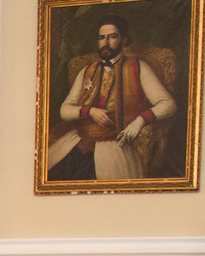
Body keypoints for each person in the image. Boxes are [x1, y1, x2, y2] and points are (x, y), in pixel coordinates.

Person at [44, 13, 178, 184]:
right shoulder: (86, 70)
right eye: (101, 38)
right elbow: (64, 110)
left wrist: (140, 121)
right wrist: (90, 111)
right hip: (78, 142)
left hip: (114, 144)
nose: (106, 42)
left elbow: (169, 104)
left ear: (124, 40)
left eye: (112, 37)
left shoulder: (138, 67)